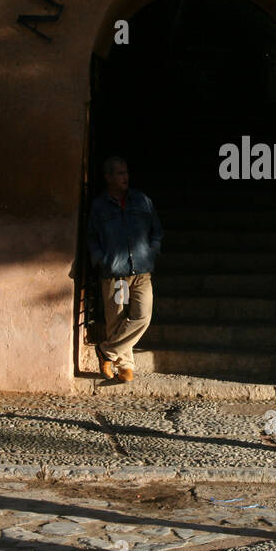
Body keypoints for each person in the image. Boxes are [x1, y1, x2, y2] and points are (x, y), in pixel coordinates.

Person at [86, 156, 162, 383]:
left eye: (126, 172)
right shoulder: (99, 206)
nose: (125, 177)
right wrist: (101, 259)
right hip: (115, 273)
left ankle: (106, 351)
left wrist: (152, 251)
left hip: (141, 271)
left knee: (142, 316)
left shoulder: (142, 201)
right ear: (108, 177)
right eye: (119, 173)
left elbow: (156, 230)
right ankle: (124, 365)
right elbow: (91, 237)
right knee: (116, 320)